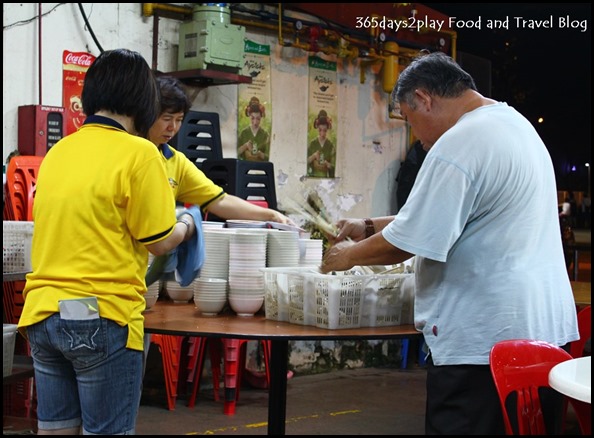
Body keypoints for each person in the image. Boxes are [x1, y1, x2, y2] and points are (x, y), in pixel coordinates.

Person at [320, 52, 578, 435]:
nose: (416, 138)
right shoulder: (512, 124)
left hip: (484, 348)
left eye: (409, 120)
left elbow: (409, 240)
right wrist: (369, 224)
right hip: (545, 339)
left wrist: (344, 258)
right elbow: (445, 214)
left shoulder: (459, 142)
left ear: (424, 99)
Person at [17, 49, 195, 435]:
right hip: (102, 317)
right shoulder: (140, 153)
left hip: (42, 314)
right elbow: (160, 242)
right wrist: (188, 224)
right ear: (144, 100)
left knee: (56, 431)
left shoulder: (59, 151)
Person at [148, 77, 291, 225]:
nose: (173, 127)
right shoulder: (132, 154)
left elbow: (220, 201)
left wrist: (272, 215)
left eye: (179, 120)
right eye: (167, 118)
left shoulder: (176, 162)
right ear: (148, 114)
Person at [237, 96, 271, 161]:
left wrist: (260, 154)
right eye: (252, 118)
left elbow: (269, 157)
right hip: (245, 167)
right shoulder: (244, 133)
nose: (255, 122)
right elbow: (235, 152)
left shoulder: (265, 135)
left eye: (258, 119)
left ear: (261, 118)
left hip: (260, 168)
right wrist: (245, 146)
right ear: (249, 116)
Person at [307, 109, 336, 178]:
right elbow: (305, 162)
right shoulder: (312, 144)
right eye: (320, 130)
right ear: (317, 128)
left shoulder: (330, 146)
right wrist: (313, 156)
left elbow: (334, 166)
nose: (322, 134)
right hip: (312, 180)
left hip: (326, 181)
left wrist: (328, 164)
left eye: (325, 131)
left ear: (327, 130)